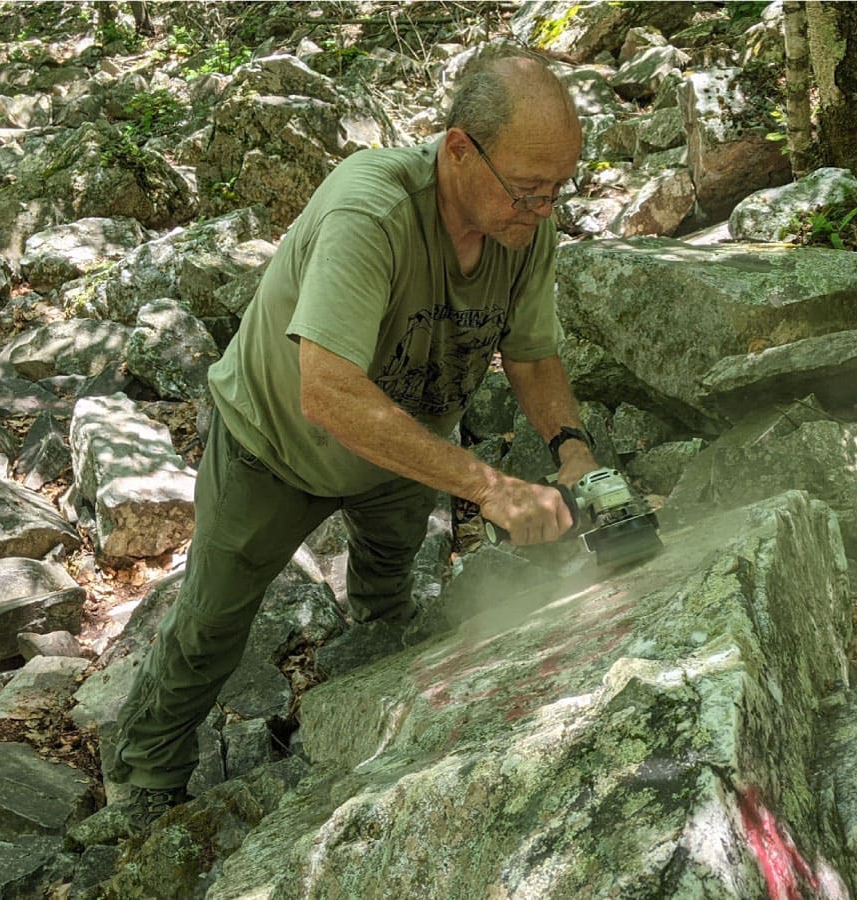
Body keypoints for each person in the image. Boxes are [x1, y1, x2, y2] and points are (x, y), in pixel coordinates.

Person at [74, 47, 600, 843]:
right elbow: (325, 392)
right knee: (214, 621)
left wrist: (571, 447)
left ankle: (364, 695)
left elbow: (529, 354)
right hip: (272, 445)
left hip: (402, 443)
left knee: (390, 593)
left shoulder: (524, 227)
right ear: (460, 149)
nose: (543, 210)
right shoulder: (373, 211)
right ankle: (144, 778)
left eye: (557, 190)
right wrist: (489, 487)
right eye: (530, 189)